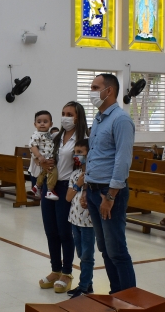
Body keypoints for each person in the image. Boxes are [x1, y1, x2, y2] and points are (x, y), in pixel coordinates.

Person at [82, 73, 136, 294]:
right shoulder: (98, 118)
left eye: (95, 87)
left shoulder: (121, 119)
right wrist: (86, 188)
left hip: (109, 192)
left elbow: (123, 160)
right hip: (95, 190)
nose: (92, 91)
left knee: (116, 250)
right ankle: (116, 293)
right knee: (104, 248)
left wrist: (111, 196)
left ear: (109, 91)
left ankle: (129, 298)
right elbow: (93, 156)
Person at [38, 101, 88, 293]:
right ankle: (55, 269)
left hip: (68, 186)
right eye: (63, 113)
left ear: (78, 117)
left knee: (64, 232)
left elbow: (84, 164)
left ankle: (66, 273)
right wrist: (44, 163)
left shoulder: (82, 138)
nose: (65, 117)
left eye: (70, 114)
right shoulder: (57, 137)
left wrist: (81, 188)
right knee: (50, 230)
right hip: (51, 185)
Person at [66, 139, 95, 298]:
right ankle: (88, 283)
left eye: (80, 152)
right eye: (75, 152)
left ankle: (83, 286)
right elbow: (68, 197)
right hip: (74, 219)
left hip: (88, 223)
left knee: (87, 255)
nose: (77, 156)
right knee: (80, 252)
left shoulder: (94, 174)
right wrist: (78, 184)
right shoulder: (75, 174)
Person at [29, 110, 59, 200]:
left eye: (45, 122)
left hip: (47, 158)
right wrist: (39, 156)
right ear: (35, 124)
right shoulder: (36, 134)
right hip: (43, 159)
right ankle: (50, 191)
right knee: (53, 172)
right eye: (39, 122)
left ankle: (36, 187)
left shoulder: (49, 134)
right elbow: (32, 146)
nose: (42, 124)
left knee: (43, 173)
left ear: (51, 124)